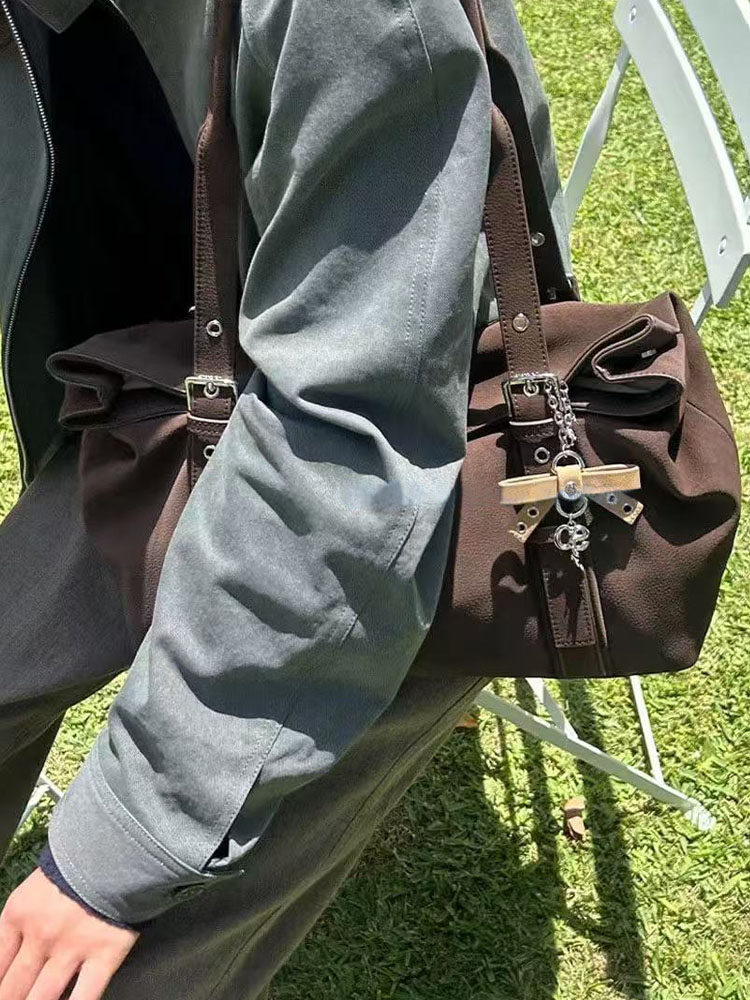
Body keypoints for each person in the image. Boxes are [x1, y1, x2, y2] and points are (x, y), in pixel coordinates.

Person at [0, 0, 569, 997]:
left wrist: (134, 836)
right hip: (190, 364)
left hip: (408, 468)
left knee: (119, 963)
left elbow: (355, 446)